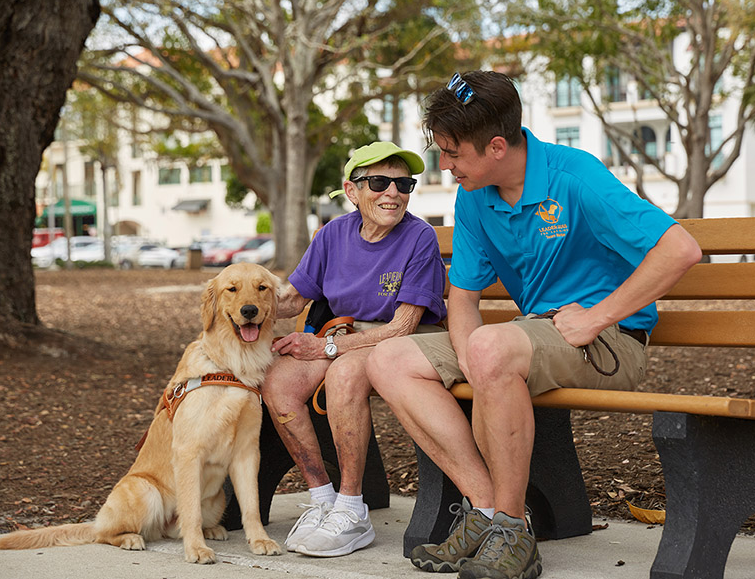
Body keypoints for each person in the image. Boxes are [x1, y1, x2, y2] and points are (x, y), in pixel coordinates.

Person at [366, 71, 702, 579]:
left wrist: (597, 316)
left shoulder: (575, 176)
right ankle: (486, 514)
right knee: (386, 359)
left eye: (453, 153)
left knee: (489, 348)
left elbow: (681, 249)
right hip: (527, 338)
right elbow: (463, 299)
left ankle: (511, 532)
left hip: (609, 342)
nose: (446, 165)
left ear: (496, 146)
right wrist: (472, 355)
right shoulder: (475, 195)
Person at [262, 141, 447, 558]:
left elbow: (404, 325)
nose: (393, 193)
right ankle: (322, 498)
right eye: (379, 182)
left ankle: (352, 510)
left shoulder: (419, 236)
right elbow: (293, 299)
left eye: (404, 184)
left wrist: (327, 347)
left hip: (399, 342)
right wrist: (244, 305)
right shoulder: (333, 234)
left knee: (342, 375)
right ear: (353, 190)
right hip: (343, 338)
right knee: (278, 380)